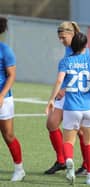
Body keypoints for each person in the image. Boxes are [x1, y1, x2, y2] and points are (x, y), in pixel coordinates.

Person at [45, 32, 90, 185]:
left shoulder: (65, 61)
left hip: (71, 108)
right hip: (89, 108)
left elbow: (59, 81)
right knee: (89, 142)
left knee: (68, 142)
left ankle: (69, 160)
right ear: (85, 46)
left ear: (72, 45)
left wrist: (51, 99)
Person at [44, 21, 89, 176]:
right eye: (59, 37)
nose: (61, 40)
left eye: (63, 37)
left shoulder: (82, 49)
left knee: (81, 132)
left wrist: (63, 88)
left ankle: (86, 165)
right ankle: (62, 160)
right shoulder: (68, 48)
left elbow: (83, 75)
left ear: (71, 34)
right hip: (64, 93)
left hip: (75, 94)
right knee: (51, 124)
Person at [0, 16, 25, 181]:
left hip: (3, 99)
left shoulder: (5, 50)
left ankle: (19, 169)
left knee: (8, 135)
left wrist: (1, 95)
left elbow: (11, 75)